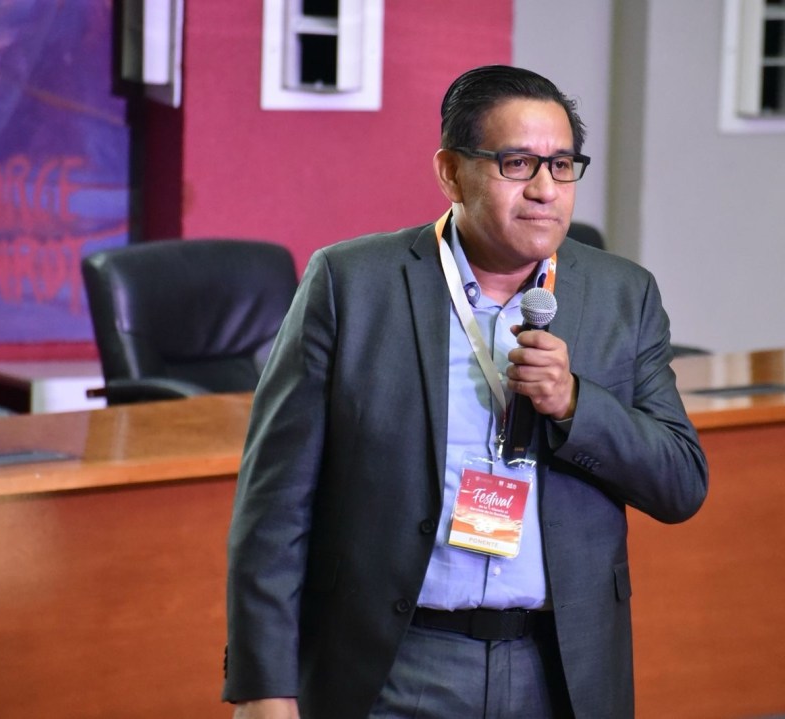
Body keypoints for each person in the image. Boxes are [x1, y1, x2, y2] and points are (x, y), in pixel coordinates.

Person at [223, 64, 708, 719]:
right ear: (451, 172)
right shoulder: (353, 285)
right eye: (518, 163)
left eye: (562, 165)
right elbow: (275, 506)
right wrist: (263, 684)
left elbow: (680, 482)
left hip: (557, 667)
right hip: (396, 665)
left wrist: (575, 404)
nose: (545, 189)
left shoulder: (623, 295)